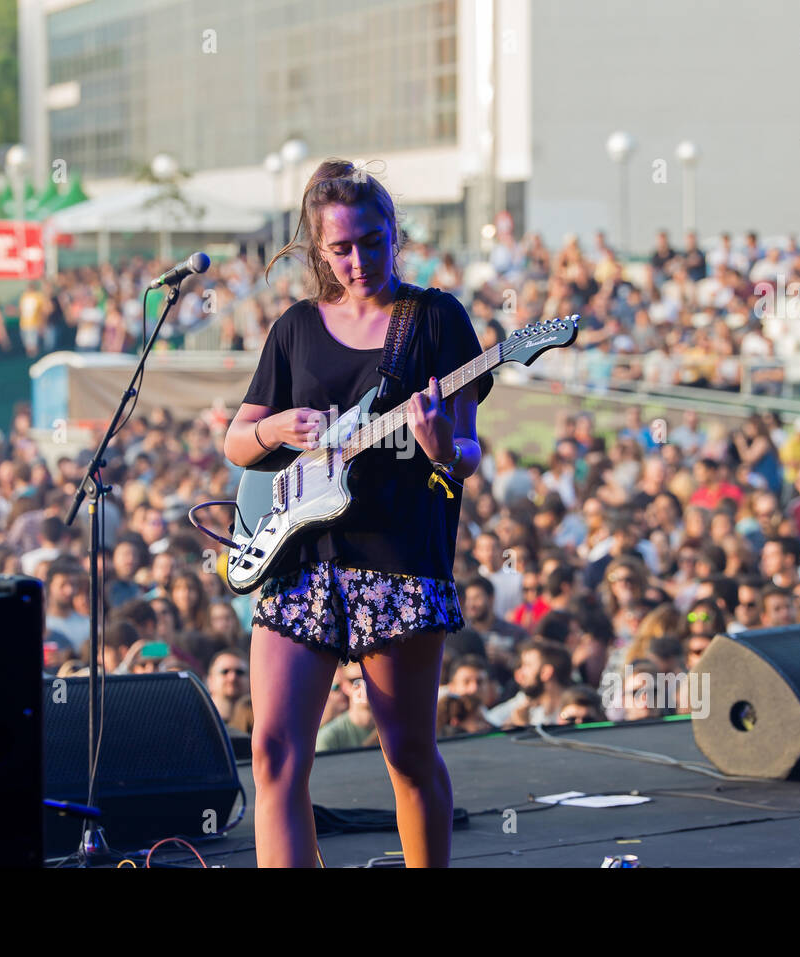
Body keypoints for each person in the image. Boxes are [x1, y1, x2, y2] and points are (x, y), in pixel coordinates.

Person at [224, 159, 491, 868]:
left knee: (406, 752)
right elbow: (237, 441)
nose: (358, 259)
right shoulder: (296, 328)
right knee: (274, 751)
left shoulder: (435, 320)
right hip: (297, 559)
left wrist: (442, 450)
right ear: (319, 250)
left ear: (393, 233)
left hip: (397, 561)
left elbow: (466, 452)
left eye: (372, 242)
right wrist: (279, 429)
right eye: (341, 248)